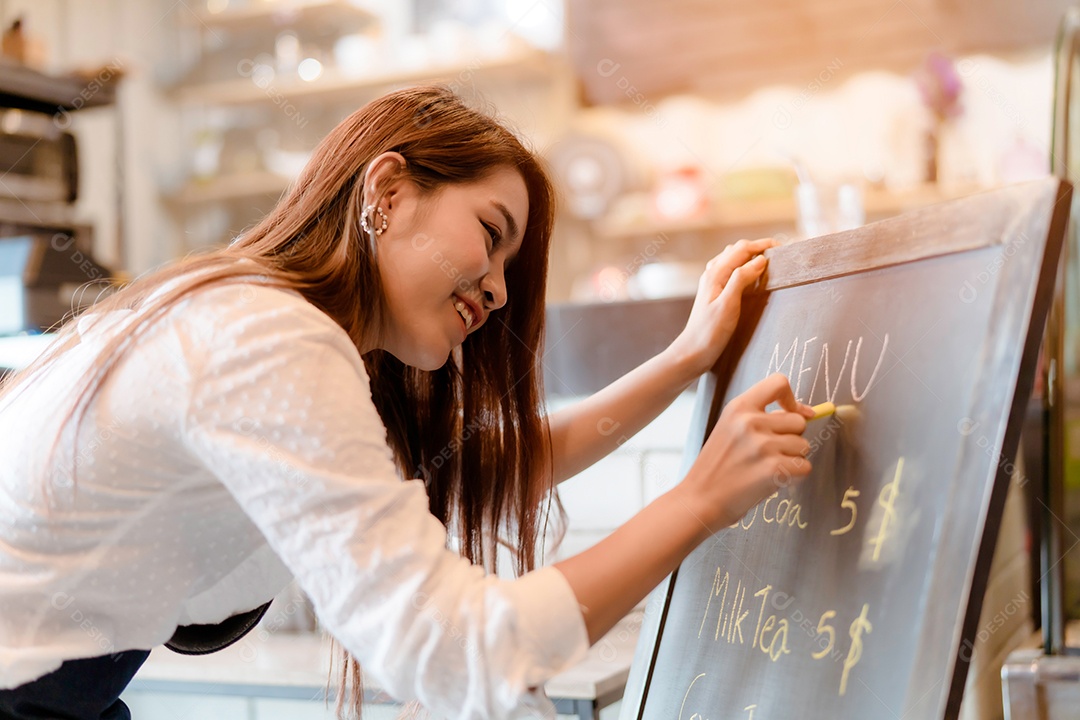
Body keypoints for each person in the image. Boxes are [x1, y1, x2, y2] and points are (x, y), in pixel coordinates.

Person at [0, 86, 813, 720]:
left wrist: (685, 359)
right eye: (490, 233)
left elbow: (487, 466)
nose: (499, 290)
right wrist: (700, 501)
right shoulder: (264, 338)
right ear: (387, 192)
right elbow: (460, 650)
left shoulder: (264, 320)